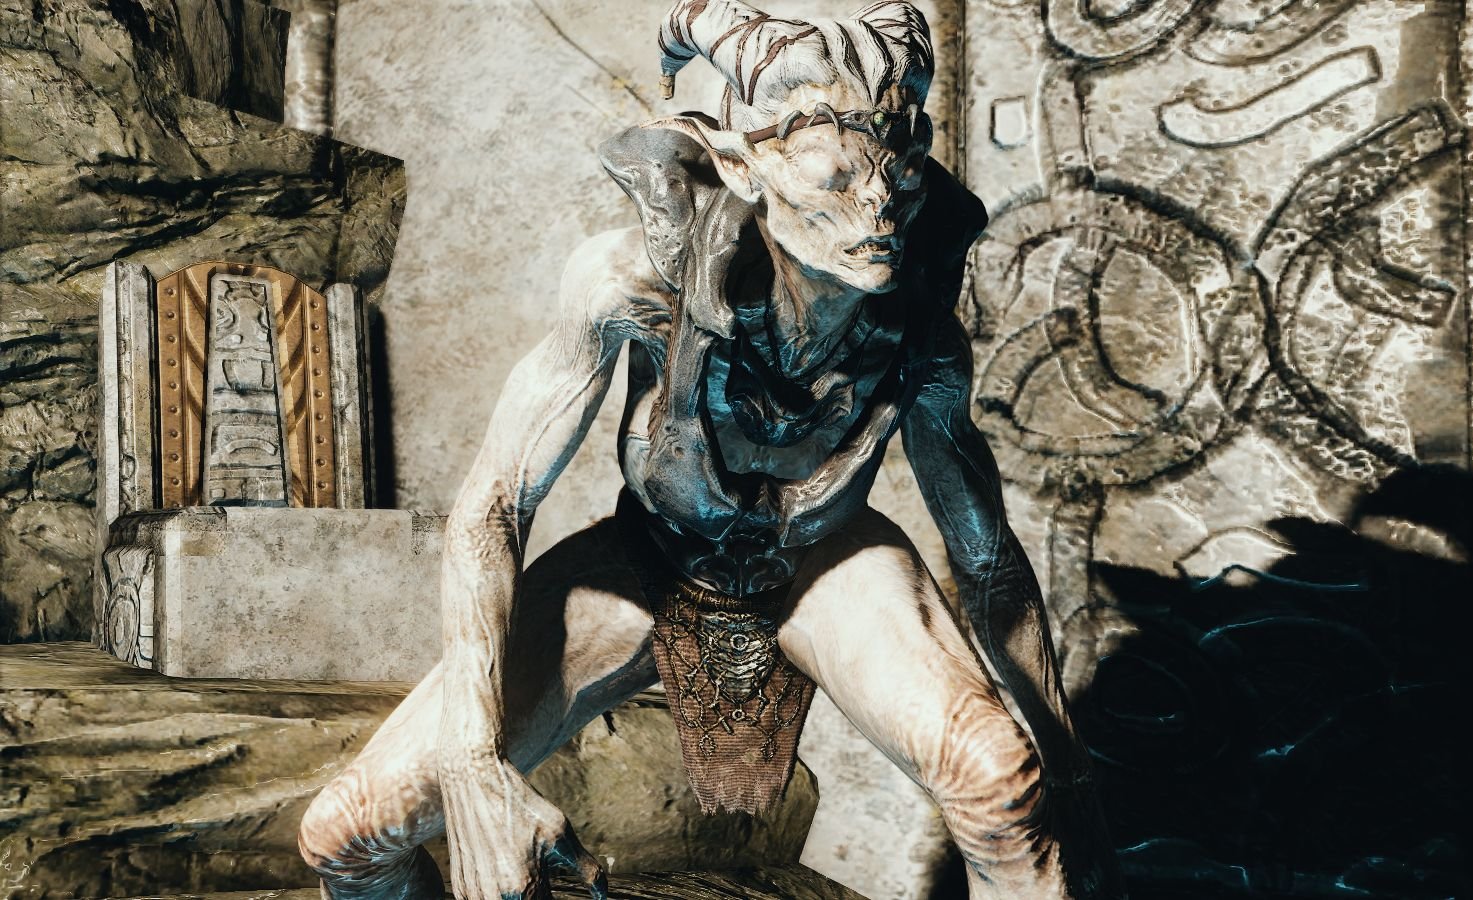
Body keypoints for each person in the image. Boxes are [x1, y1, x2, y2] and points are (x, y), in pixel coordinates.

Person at [298, 3, 1118, 898]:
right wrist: (471, 765)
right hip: (648, 563)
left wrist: (1070, 773)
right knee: (346, 834)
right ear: (740, 164)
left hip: (825, 561)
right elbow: (494, 504)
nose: (878, 208)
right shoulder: (631, 284)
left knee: (1002, 784)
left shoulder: (919, 325)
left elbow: (987, 555)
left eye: (899, 172)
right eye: (836, 178)